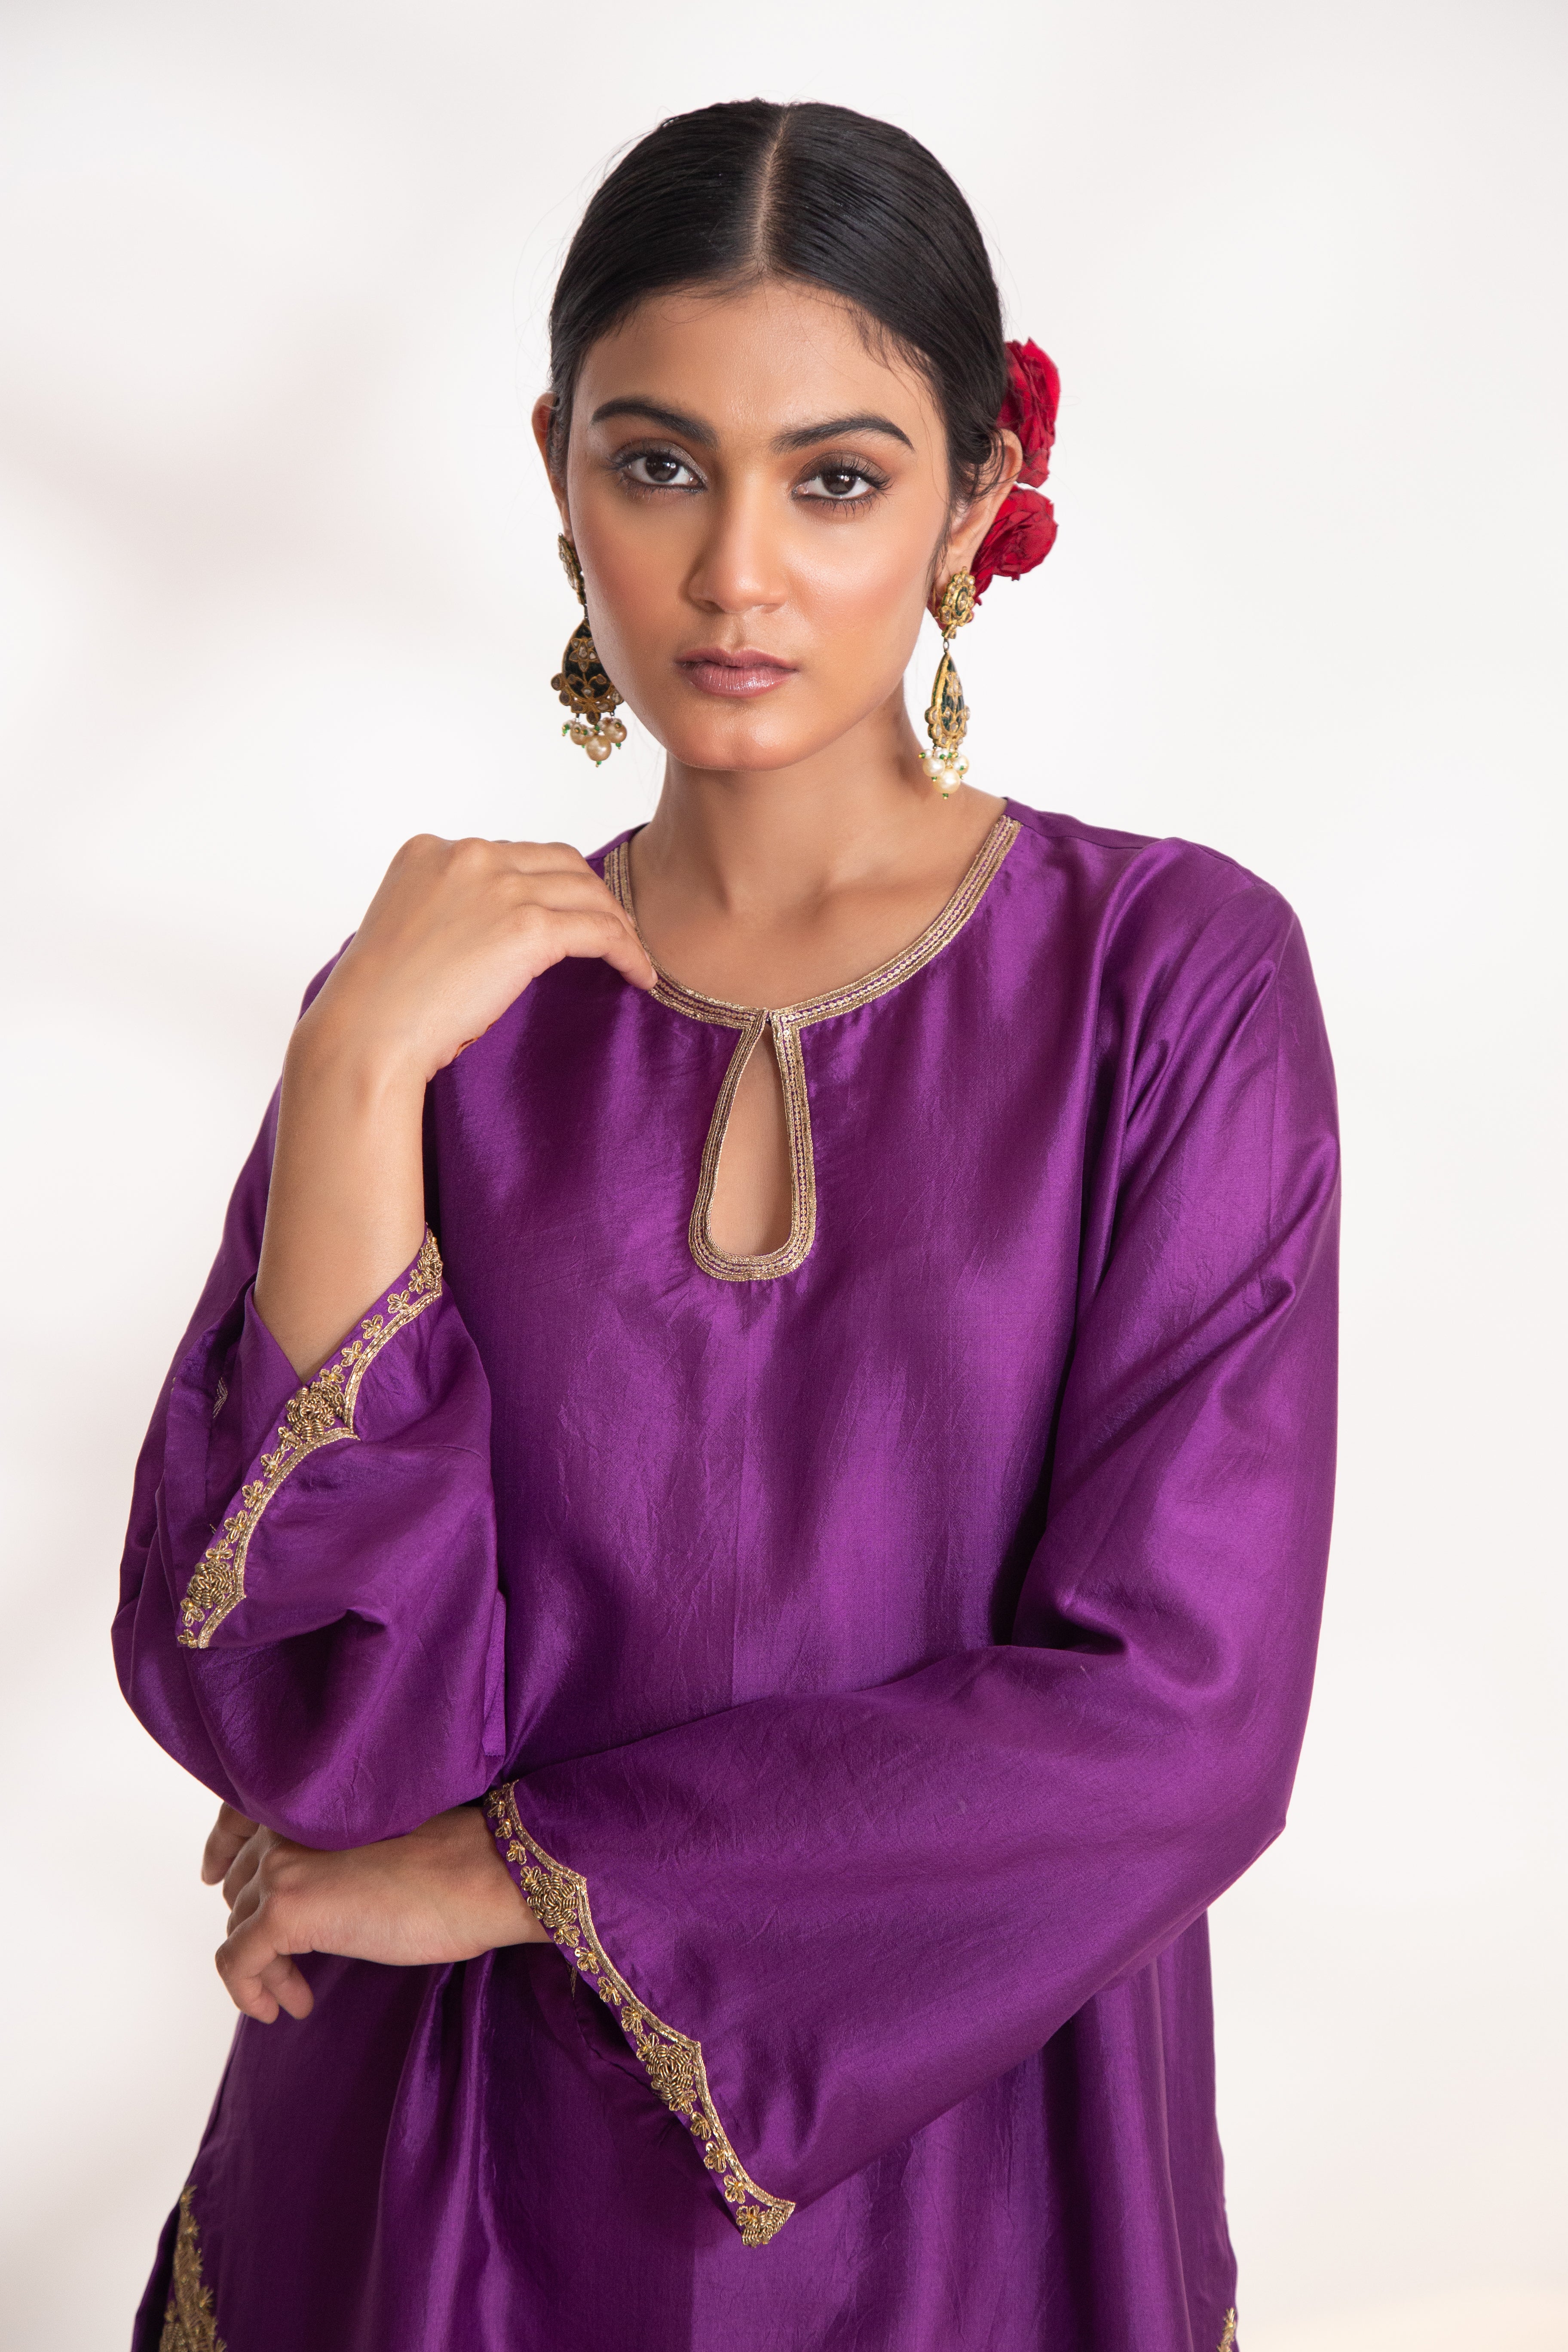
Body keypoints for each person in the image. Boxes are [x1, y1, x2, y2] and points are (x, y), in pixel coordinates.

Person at [116, 97, 1338, 2352]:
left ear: (976, 493)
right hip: (436, 2194)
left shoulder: (1169, 982)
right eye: (661, 464)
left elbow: (1183, 1715)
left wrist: (503, 1874)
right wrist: (357, 1068)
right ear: (558, 469)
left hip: (974, 2174)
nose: (736, 573)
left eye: (836, 479)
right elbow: (317, 1741)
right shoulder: (435, 1008)